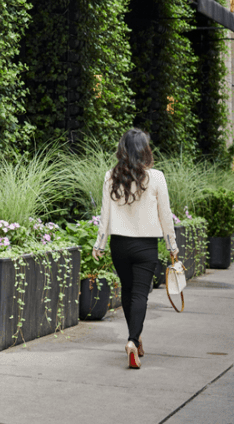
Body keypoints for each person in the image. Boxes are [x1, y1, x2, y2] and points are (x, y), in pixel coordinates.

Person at [92, 128, 179, 369]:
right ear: (145, 150)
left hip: (119, 244)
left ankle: (135, 336)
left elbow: (105, 215)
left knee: (128, 291)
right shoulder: (157, 177)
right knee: (141, 294)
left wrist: (99, 243)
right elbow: (166, 216)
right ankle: (132, 340)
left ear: (122, 150)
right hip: (146, 245)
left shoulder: (111, 176)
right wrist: (172, 246)